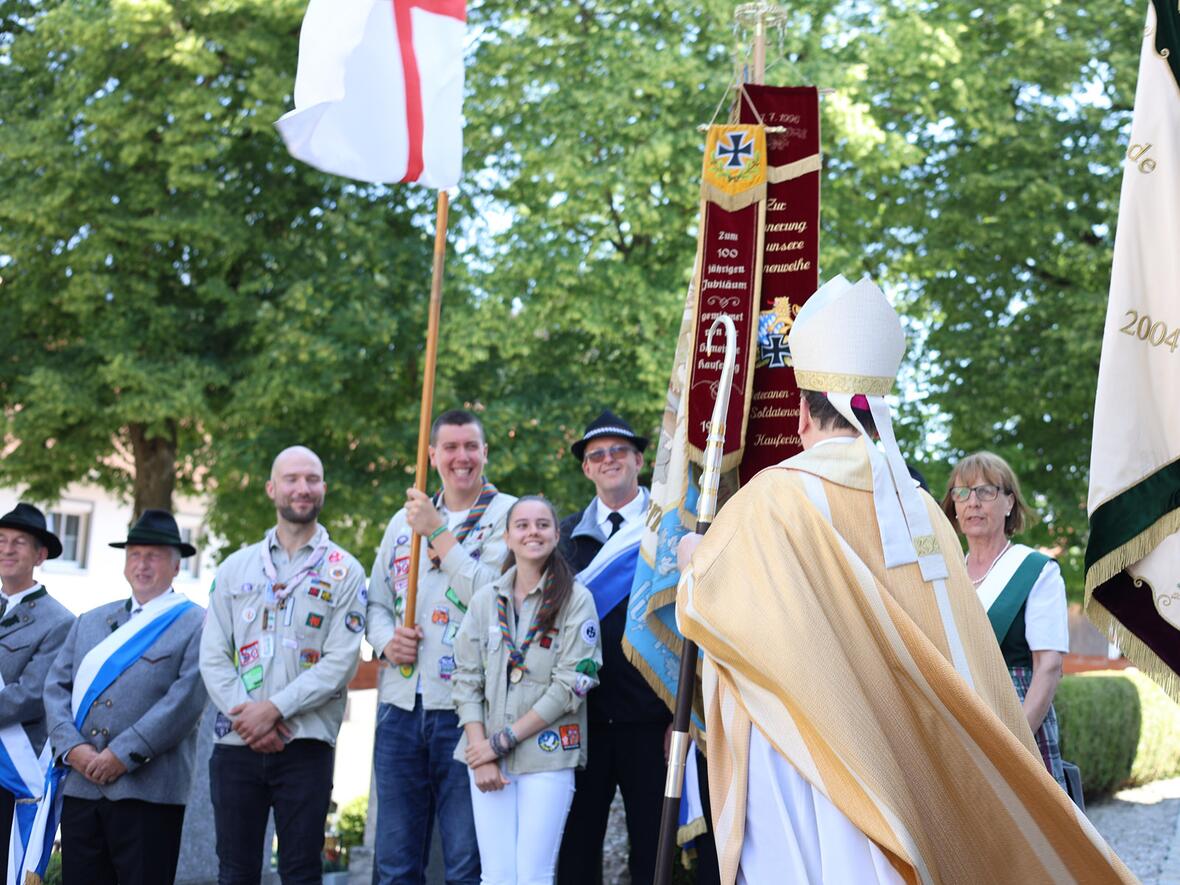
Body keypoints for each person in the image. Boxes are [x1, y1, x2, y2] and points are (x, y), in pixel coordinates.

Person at [675, 274, 1132, 883]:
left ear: (803, 417)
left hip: (808, 746)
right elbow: (962, 655)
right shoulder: (919, 509)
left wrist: (692, 561)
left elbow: (723, 614)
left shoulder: (774, 498)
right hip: (902, 750)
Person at [200, 445, 367, 885]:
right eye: (291, 479)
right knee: (234, 872)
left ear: (323, 489)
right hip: (237, 744)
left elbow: (341, 662)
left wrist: (272, 711)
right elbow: (213, 655)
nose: (302, 488)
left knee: (301, 872)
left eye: (312, 479)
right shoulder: (235, 567)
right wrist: (249, 717)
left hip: (306, 743)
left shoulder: (345, 571)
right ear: (272, 488)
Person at [366, 409, 516, 885]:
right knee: (394, 862)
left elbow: (496, 599)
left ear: (486, 453)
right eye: (449, 448)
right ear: (432, 456)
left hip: (468, 712)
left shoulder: (509, 516)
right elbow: (373, 604)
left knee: (466, 863)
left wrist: (437, 532)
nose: (461, 457)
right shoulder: (401, 521)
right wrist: (386, 640)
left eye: (471, 446)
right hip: (400, 707)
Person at [43, 509, 206, 885]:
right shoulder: (91, 621)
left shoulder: (197, 622)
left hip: (148, 790)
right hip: (83, 786)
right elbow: (55, 690)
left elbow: (184, 702)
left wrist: (121, 755)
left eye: (154, 555)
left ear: (176, 566)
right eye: (135, 554)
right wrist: (74, 749)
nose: (142, 564)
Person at [451, 496, 602, 885]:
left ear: (555, 535)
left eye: (542, 525)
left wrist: (500, 743)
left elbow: (574, 683)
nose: (532, 532)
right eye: (522, 525)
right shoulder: (487, 600)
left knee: (533, 875)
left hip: (547, 757)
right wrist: (480, 752)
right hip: (486, 758)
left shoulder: (576, 600)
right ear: (507, 537)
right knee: (496, 876)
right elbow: (465, 676)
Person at [556, 409, 674, 885]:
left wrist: (678, 716)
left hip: (651, 719)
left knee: (652, 848)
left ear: (639, 460)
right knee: (577, 848)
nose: (608, 460)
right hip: (581, 718)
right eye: (597, 454)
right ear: (586, 468)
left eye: (619, 451)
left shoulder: (670, 529)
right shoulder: (563, 535)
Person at [942, 451, 1070, 788]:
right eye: (963, 493)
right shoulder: (944, 574)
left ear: (1009, 502)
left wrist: (1015, 742)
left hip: (1018, 722)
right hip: (959, 727)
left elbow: (1049, 666)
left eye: (986, 492)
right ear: (953, 507)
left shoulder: (1036, 571)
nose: (973, 503)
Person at [0, 503, 74, 874]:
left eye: (19, 543)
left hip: (12, 776)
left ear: (40, 555)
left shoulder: (58, 621)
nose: (7, 549)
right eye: (1, 540)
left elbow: (30, 696)